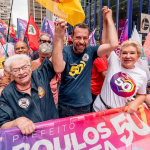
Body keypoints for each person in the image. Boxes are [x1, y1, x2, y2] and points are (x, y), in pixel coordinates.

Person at [52, 6, 118, 118]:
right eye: (78, 38)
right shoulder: (65, 51)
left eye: (85, 38)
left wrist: (108, 18)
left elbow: (113, 44)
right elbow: (58, 68)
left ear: (88, 38)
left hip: (85, 106)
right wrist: (58, 36)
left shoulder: (91, 50)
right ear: (72, 38)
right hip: (66, 106)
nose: (82, 42)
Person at [0, 54, 58, 135]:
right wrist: (17, 122)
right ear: (10, 74)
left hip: (55, 132)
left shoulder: (40, 76)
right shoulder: (7, 93)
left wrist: (58, 40)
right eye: (16, 70)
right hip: (31, 140)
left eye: (24, 67)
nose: (21, 72)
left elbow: (55, 58)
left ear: (30, 67)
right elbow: (2, 125)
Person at [93, 39, 147, 113]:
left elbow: (142, 94)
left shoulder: (142, 74)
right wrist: (108, 26)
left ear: (138, 56)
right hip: (99, 110)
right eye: (124, 53)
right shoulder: (114, 61)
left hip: (119, 115)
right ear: (120, 54)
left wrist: (136, 103)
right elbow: (106, 42)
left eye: (132, 53)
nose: (128, 56)